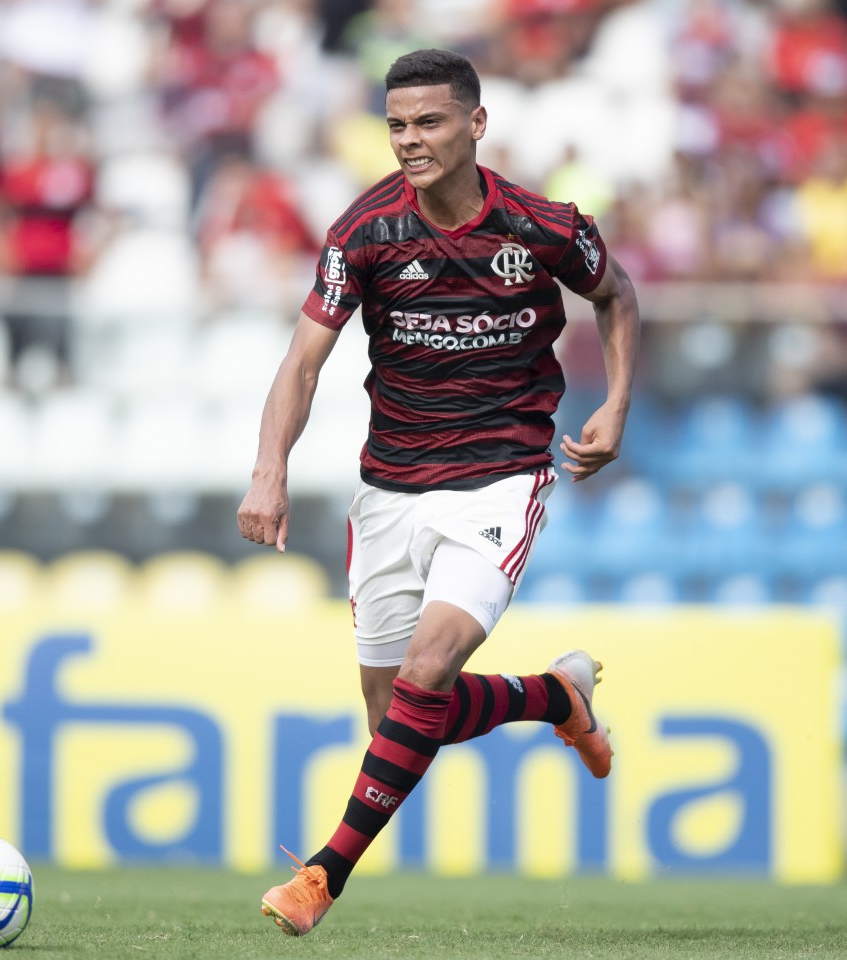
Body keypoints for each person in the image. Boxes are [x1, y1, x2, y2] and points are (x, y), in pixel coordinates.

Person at [237, 49, 640, 936]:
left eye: (428, 122)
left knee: (426, 674)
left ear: (475, 124)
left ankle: (322, 876)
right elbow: (302, 361)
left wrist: (613, 404)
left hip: (499, 477)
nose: (410, 141)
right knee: (399, 717)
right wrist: (270, 468)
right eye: (397, 126)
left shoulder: (542, 225)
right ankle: (554, 696)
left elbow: (616, 296)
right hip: (390, 488)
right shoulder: (364, 230)